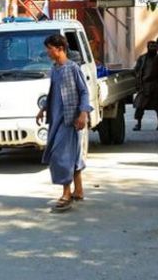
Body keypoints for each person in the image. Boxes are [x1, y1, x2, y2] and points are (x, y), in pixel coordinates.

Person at [36, 34, 93, 213]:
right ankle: (79, 190)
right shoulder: (55, 69)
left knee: (61, 156)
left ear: (60, 49)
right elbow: (53, 92)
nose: (47, 52)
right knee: (71, 155)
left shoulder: (72, 68)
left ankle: (66, 193)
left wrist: (83, 113)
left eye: (49, 49)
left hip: (70, 120)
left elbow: (84, 92)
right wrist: (43, 108)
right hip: (56, 119)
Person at [132, 41, 158, 131]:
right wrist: (138, 81)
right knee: (140, 106)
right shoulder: (143, 58)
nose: (153, 48)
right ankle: (138, 124)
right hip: (145, 86)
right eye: (151, 46)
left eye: (154, 46)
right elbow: (137, 70)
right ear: (148, 47)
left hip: (156, 85)